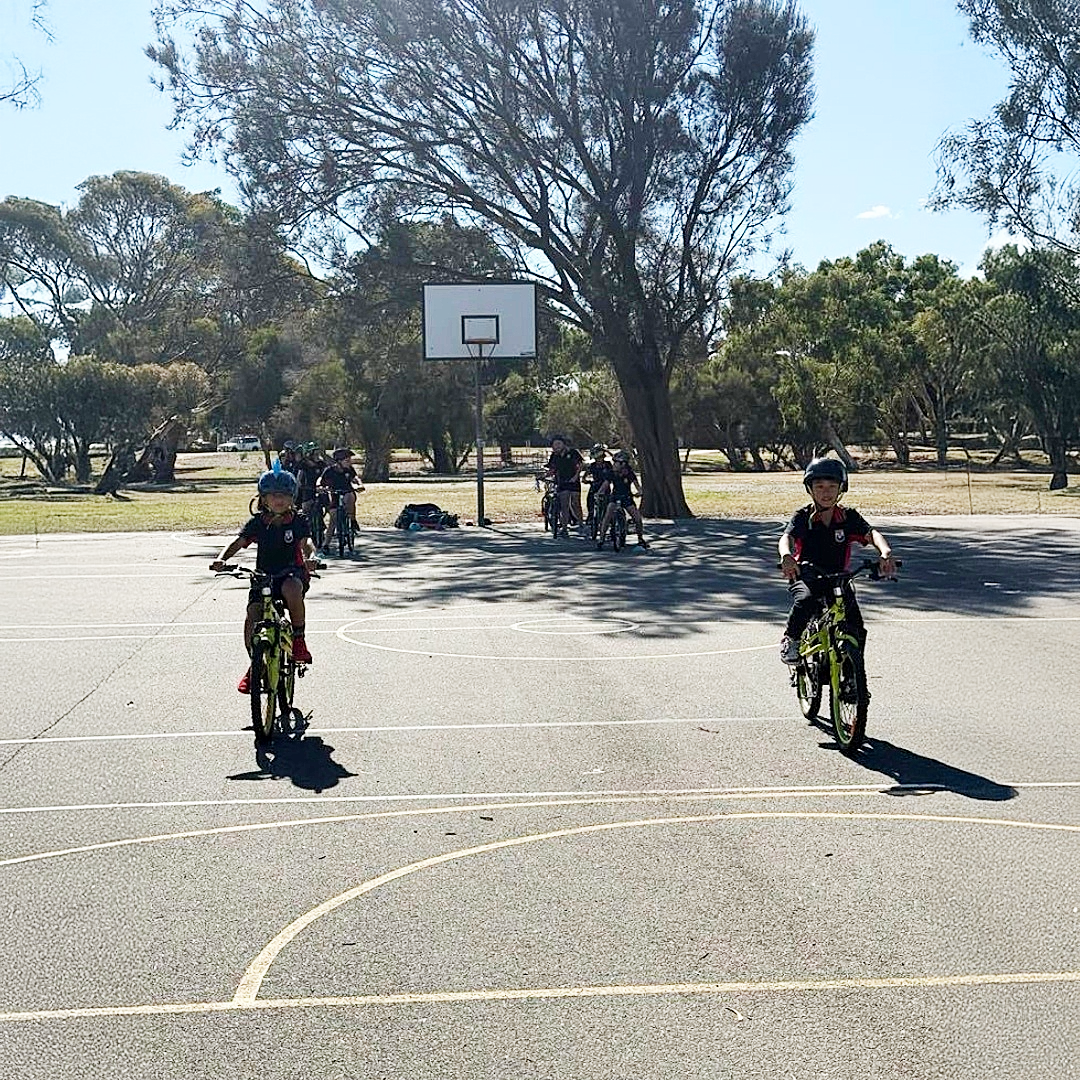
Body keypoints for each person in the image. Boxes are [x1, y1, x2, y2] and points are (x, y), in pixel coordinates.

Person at [209, 462, 319, 693]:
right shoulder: (258, 523)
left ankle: (298, 639)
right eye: (272, 495)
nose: (278, 500)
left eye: (284, 495)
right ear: (263, 499)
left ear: (292, 498)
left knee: (291, 589)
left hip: (291, 572)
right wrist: (222, 559)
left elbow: (306, 543)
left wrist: (312, 557)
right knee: (253, 614)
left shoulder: (297, 521)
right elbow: (238, 542)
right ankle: (255, 665)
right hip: (263, 576)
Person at [777, 457, 896, 665]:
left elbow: (871, 533)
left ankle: (853, 676)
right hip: (806, 574)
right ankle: (792, 639)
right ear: (810, 489)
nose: (826, 492)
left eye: (832, 486)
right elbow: (787, 538)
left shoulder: (847, 517)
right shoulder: (803, 516)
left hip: (839, 577)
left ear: (842, 488)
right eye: (820, 486)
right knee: (805, 601)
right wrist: (787, 557)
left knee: (856, 627)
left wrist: (885, 552)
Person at [595, 450, 649, 549]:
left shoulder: (629, 473)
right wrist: (599, 493)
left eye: (616, 462)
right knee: (607, 515)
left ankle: (640, 538)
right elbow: (605, 485)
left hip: (627, 497)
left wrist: (640, 492)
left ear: (623, 464)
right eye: (614, 462)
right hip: (615, 497)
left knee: (637, 518)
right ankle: (601, 539)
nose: (614, 464)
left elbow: (637, 485)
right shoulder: (611, 473)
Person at [318, 447, 364, 552]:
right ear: (339, 461)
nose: (349, 462)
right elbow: (320, 479)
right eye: (347, 460)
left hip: (347, 492)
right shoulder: (329, 470)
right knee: (333, 519)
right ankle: (326, 544)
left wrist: (360, 485)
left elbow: (355, 478)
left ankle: (352, 520)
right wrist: (319, 486)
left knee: (350, 496)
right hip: (334, 495)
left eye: (350, 460)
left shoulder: (349, 469)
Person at [544, 435, 584, 537]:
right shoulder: (554, 456)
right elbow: (552, 469)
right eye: (554, 445)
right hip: (562, 481)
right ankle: (565, 528)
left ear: (563, 443)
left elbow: (580, 465)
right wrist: (544, 476)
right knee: (564, 505)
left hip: (573, 481)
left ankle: (580, 523)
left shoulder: (573, 453)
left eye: (558, 444)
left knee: (576, 503)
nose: (556, 447)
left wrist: (576, 476)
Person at [581, 443, 613, 529]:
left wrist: (606, 450)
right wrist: (586, 480)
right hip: (595, 485)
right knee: (590, 499)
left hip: (605, 486)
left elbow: (615, 460)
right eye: (597, 458)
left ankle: (607, 518)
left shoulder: (608, 464)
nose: (599, 459)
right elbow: (585, 476)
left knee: (607, 501)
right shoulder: (592, 466)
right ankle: (591, 516)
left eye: (601, 457)